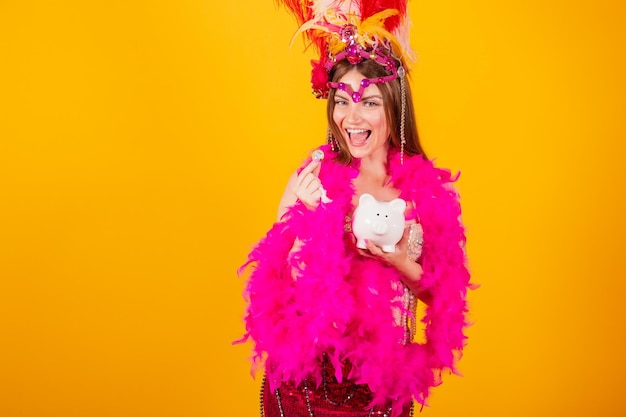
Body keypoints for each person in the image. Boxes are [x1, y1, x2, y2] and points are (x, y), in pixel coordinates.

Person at [238, 1, 472, 416]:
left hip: (385, 390)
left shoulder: (426, 193)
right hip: (305, 387)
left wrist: (400, 259)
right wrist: (306, 222)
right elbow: (277, 287)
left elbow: (443, 297)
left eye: (369, 102)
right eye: (342, 101)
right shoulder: (313, 177)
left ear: (394, 109)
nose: (351, 117)